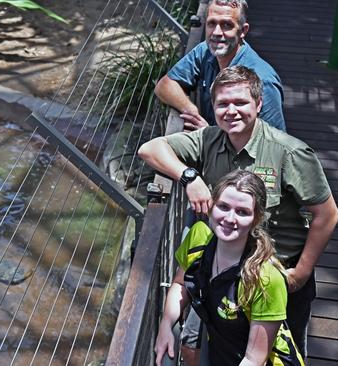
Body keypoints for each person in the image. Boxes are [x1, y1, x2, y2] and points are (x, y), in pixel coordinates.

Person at [139, 65, 338, 359]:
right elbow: (150, 149)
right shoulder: (209, 139)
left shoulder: (290, 153)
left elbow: (327, 214)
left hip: (277, 273)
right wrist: (189, 177)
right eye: (222, 104)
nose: (231, 111)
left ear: (258, 104)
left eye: (240, 102)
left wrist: (301, 272)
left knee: (283, 352)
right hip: (226, 270)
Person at [154, 170, 305, 366]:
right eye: (223, 207)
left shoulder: (266, 279)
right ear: (211, 206)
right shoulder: (200, 238)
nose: (230, 218)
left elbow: (254, 359)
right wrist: (166, 325)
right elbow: (180, 284)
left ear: (256, 219)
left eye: (242, 212)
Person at [154, 0, 285, 131]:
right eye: (212, 23)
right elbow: (164, 86)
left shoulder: (264, 81)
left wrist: (212, 135)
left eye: (226, 25)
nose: (216, 32)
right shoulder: (205, 51)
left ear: (243, 30)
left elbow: (273, 145)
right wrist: (191, 110)